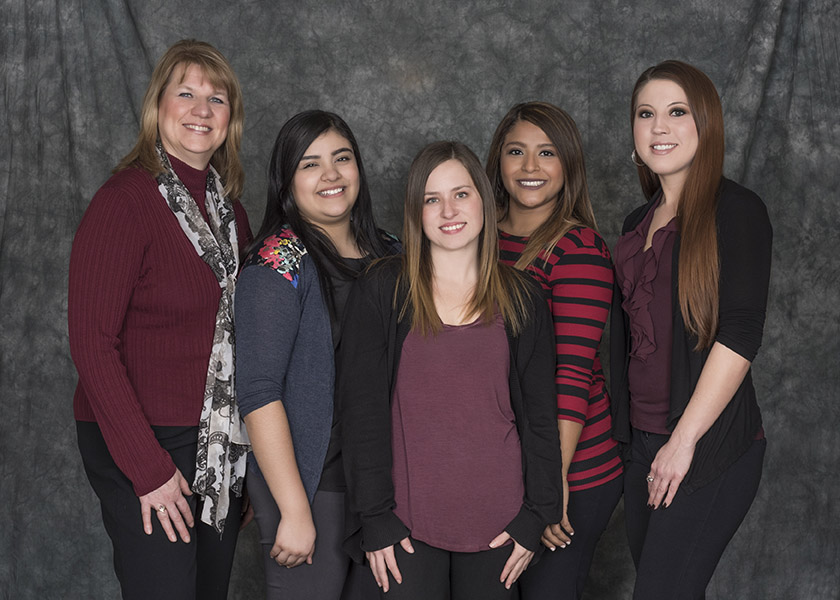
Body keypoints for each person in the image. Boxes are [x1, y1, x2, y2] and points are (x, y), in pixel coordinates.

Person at [337, 141, 563, 600]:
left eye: (461, 194)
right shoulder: (382, 290)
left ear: (483, 199)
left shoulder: (523, 297)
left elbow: (541, 418)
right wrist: (375, 518)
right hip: (404, 524)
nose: (448, 210)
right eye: (431, 199)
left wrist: (535, 515)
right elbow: (360, 414)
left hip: (501, 526)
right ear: (416, 212)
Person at [69, 39, 251, 600]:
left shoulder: (232, 213)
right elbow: (91, 344)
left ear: (230, 119)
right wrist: (147, 468)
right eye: (187, 94)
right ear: (158, 107)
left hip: (218, 441)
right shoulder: (124, 201)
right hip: (140, 437)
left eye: (216, 99)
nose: (202, 110)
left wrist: (241, 467)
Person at [611, 60, 773, 599]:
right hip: (642, 444)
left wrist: (682, 442)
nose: (659, 127)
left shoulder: (737, 210)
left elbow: (741, 333)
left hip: (704, 446)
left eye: (677, 112)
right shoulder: (638, 222)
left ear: (705, 123)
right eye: (646, 114)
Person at [234, 110, 400, 599]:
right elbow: (259, 392)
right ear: (286, 183)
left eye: (341, 158)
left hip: (379, 483)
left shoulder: (392, 253)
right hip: (311, 481)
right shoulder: (277, 261)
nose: (330, 175)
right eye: (310, 164)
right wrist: (294, 510)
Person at [485, 101, 623, 600]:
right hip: (504, 462)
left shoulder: (578, 250)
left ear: (568, 166)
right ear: (498, 162)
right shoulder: (477, 237)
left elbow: (572, 375)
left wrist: (552, 484)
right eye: (516, 151)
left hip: (572, 469)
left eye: (547, 153)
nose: (529, 167)